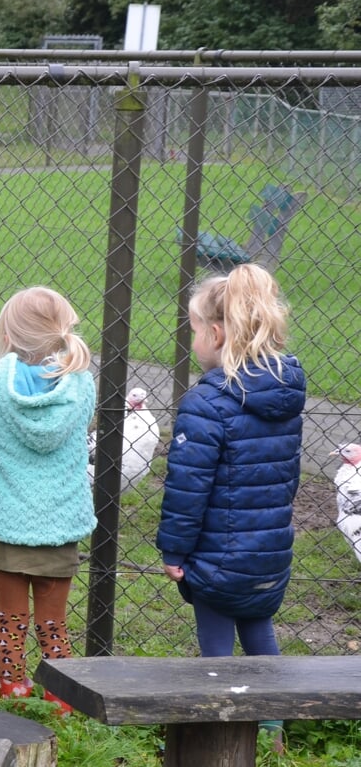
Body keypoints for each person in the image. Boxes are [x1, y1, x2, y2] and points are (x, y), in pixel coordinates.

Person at [156, 263, 304, 748]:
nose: (193, 339)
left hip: (217, 557)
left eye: (195, 329)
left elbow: (186, 489)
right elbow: (285, 475)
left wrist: (174, 552)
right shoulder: (285, 393)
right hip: (268, 551)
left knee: (216, 650)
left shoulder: (206, 403)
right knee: (260, 633)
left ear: (216, 334)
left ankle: (218, 735)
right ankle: (274, 728)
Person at [0, 286, 96, 716]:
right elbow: (79, 426)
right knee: (53, 622)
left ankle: (13, 691)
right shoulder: (81, 382)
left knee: (10, 621)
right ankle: (61, 698)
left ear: (11, 334)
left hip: (6, 521)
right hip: (59, 523)